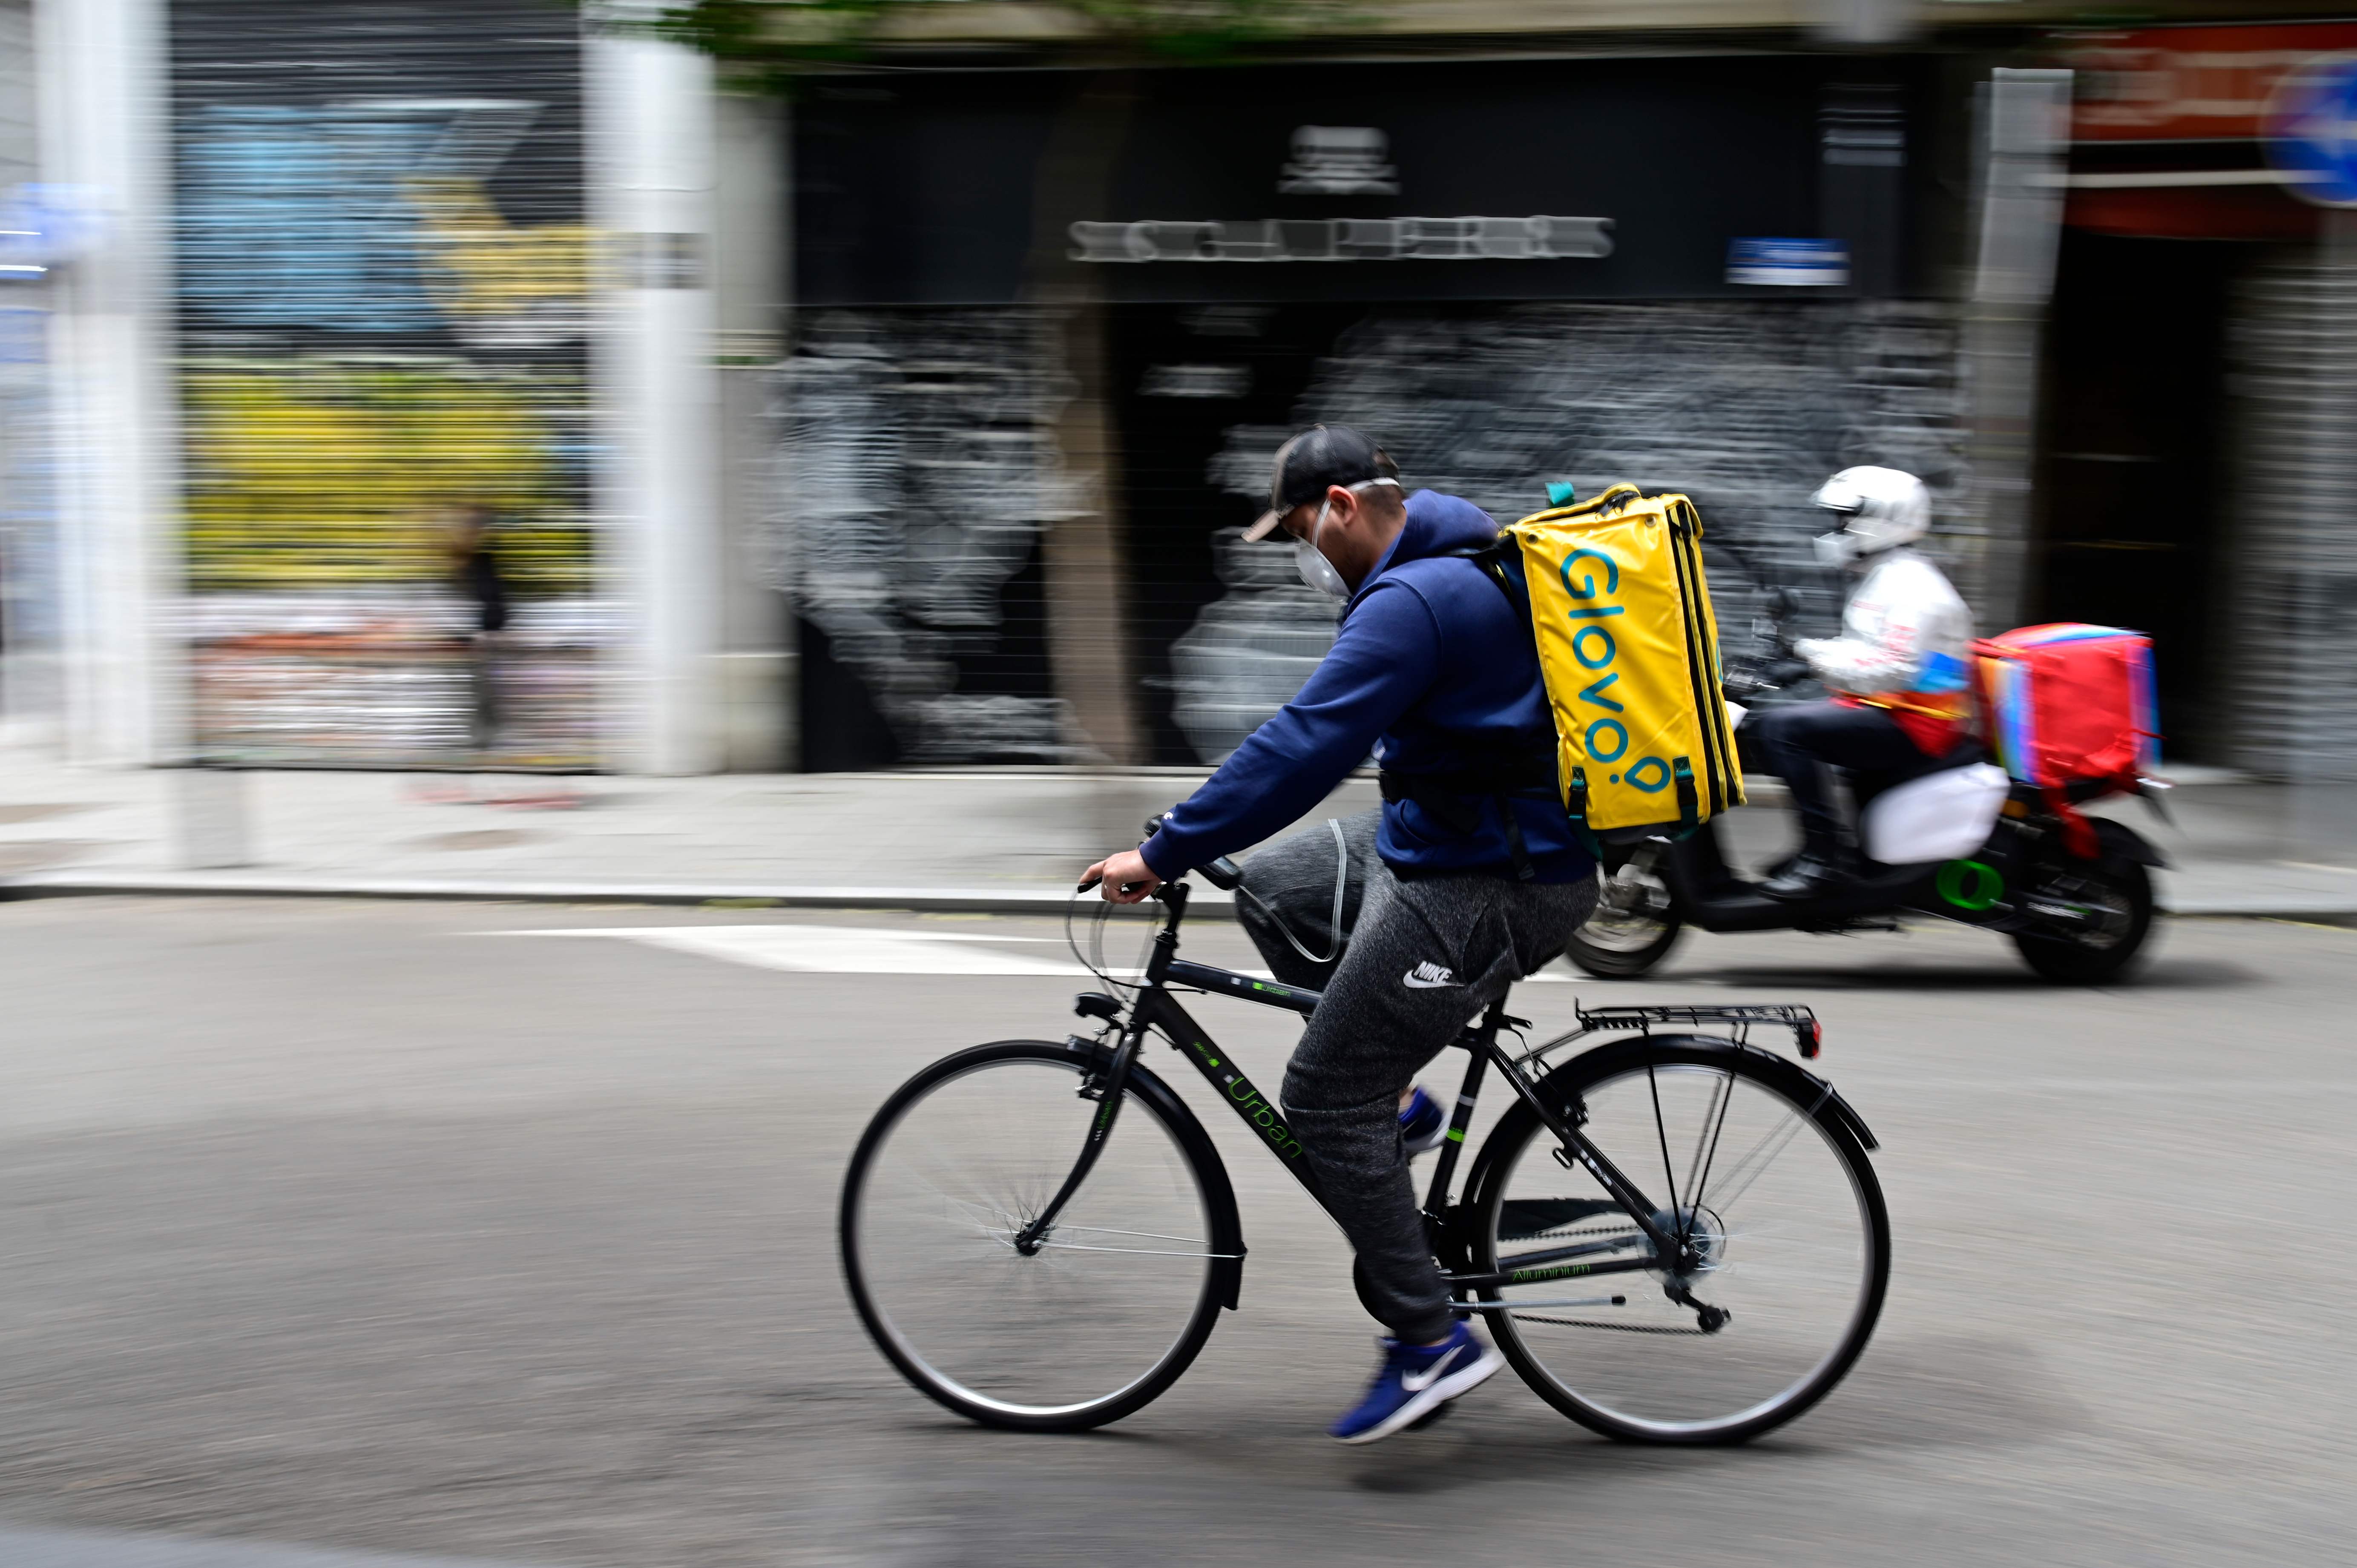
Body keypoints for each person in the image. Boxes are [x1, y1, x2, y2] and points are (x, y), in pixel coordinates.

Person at [1083, 426, 1597, 1444]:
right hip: (1446, 837)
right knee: (1273, 884)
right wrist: (1208, 844)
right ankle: (1397, 1100)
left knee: (1321, 1093)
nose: (1301, 556)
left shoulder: (1415, 601)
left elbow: (1304, 745)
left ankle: (1431, 1343)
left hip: (1495, 876)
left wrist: (1166, 851)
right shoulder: (1440, 559)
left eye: (1299, 534)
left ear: (1342, 508)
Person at [1751, 466, 1975, 901]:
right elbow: (1863, 650)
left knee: (1782, 731)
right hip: (1893, 711)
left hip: (1917, 724)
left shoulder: (1914, 588)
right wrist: (1804, 655)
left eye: (1843, 519)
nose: (1835, 530)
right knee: (1780, 726)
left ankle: (1823, 857)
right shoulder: (1887, 574)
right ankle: (1824, 850)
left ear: (1882, 518)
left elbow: (1890, 668)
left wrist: (1808, 657)